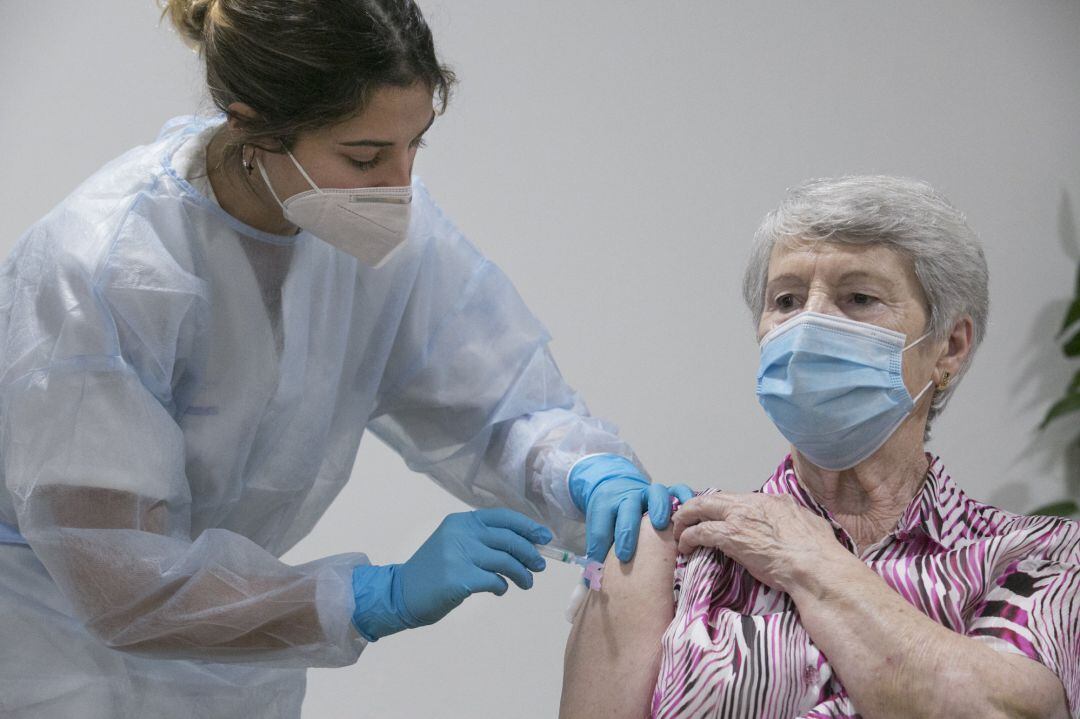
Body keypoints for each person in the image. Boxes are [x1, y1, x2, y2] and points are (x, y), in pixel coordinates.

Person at [0, 2, 692, 717]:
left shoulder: (379, 239)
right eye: (363, 157)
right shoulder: (104, 267)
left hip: (230, 675)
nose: (397, 186)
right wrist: (369, 596)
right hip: (53, 662)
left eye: (414, 145)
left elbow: (499, 410)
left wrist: (583, 471)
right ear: (250, 126)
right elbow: (122, 583)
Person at [560, 176, 1079, 718]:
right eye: (786, 300)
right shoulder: (675, 547)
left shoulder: (1040, 558)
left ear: (949, 346)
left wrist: (809, 560)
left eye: (858, 298)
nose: (809, 325)